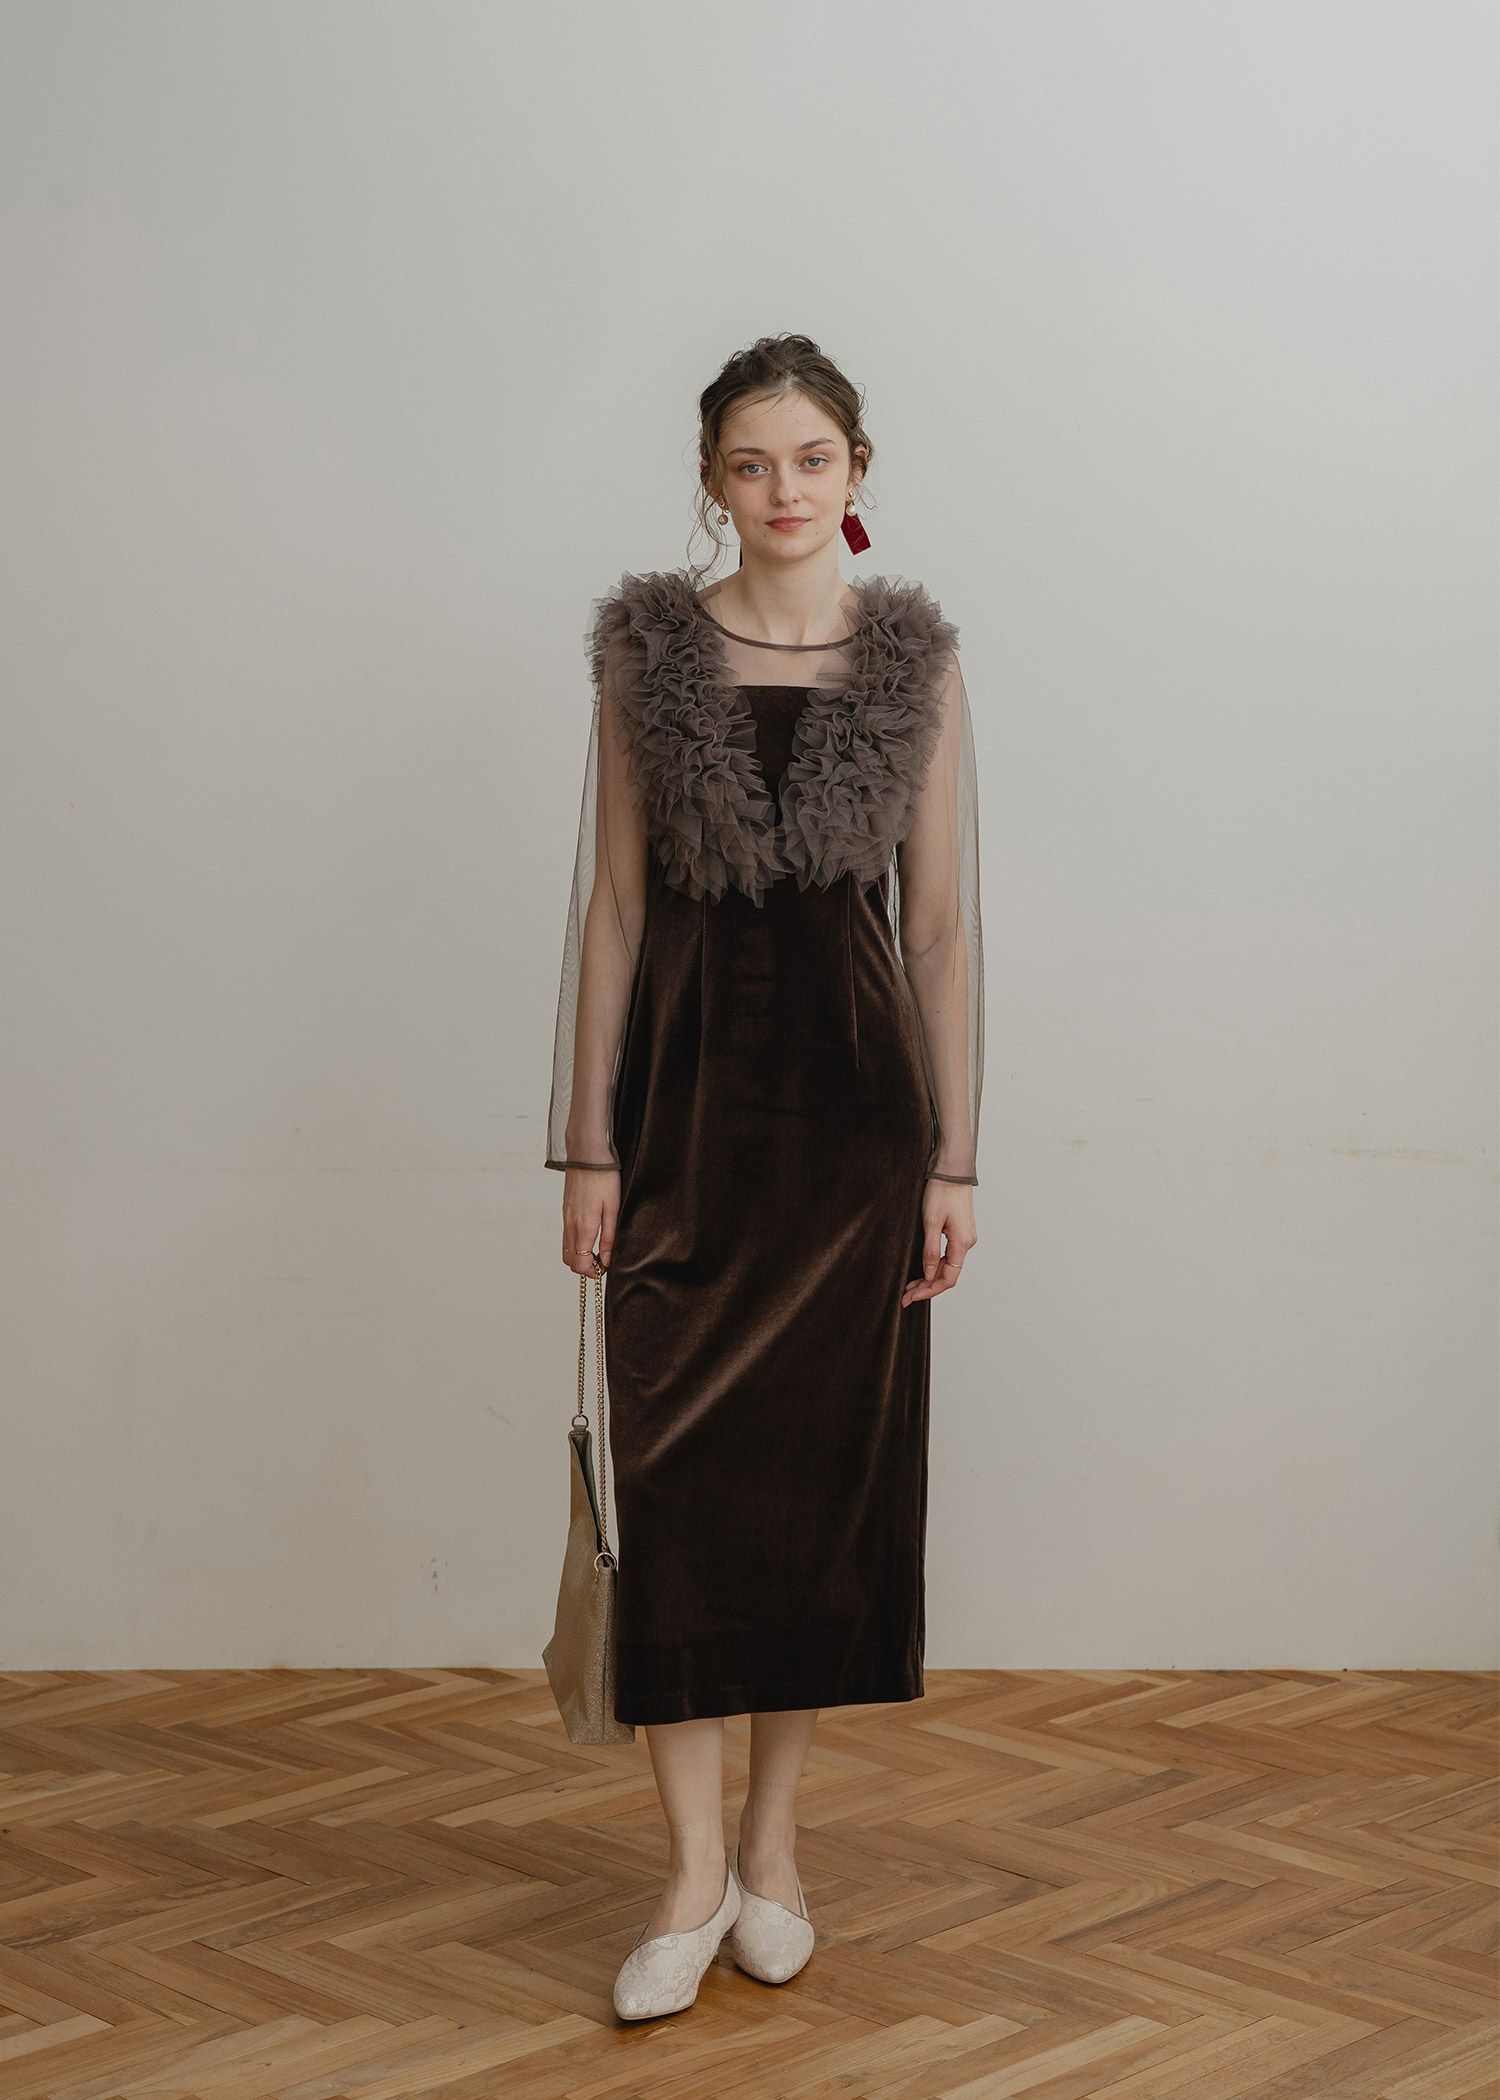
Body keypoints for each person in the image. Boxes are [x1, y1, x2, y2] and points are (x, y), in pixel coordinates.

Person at [544, 333, 984, 2019]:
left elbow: (936, 934)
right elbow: (614, 908)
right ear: (713, 480)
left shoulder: (916, 663)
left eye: (813, 458)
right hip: (683, 1120)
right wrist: (591, 1143)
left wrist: (952, 1161)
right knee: (675, 1491)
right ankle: (686, 1872)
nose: (784, 488)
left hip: (854, 1136)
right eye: (751, 461)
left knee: (815, 1498)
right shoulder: (647, 656)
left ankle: (774, 1854)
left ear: (856, 472)